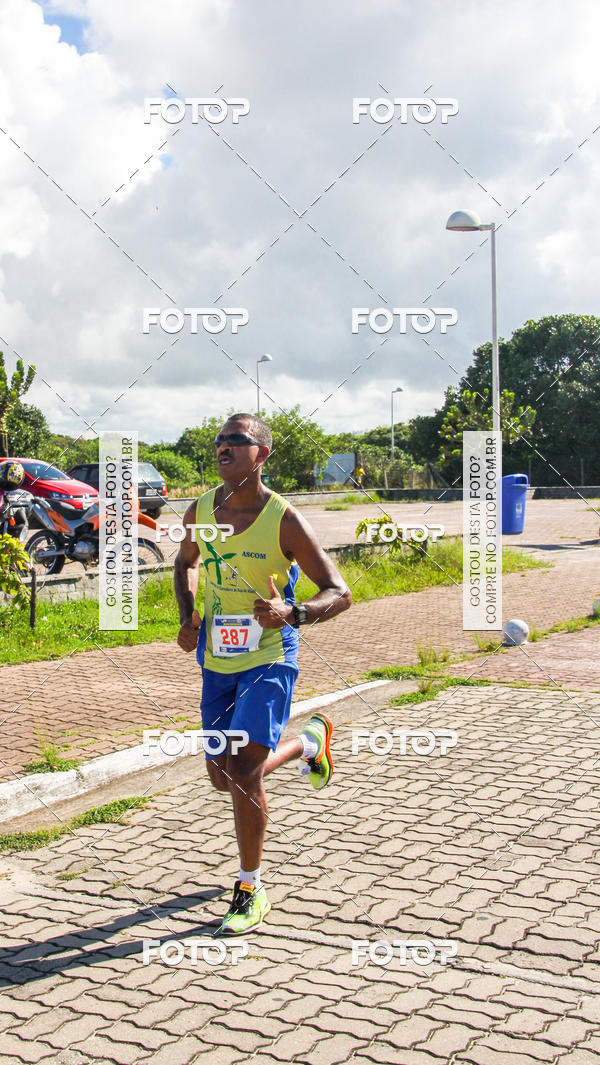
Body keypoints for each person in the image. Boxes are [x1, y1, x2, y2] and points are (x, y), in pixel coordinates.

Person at [175, 413, 352, 934]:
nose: (224, 446)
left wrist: (292, 613)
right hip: (218, 659)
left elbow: (340, 592)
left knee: (244, 773)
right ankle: (308, 744)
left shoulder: (285, 520)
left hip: (271, 654)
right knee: (220, 776)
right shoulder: (202, 509)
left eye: (237, 440)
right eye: (220, 440)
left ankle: (250, 887)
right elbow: (183, 562)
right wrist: (187, 615)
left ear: (262, 454)